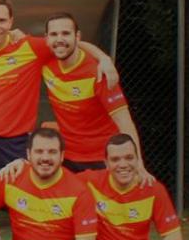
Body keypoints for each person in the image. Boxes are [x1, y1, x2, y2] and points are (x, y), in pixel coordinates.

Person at [0, 0, 115, 190]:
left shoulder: (30, 47)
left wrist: (103, 58)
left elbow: (67, 43)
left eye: (1, 20)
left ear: (11, 22)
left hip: (15, 144)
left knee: (21, 201)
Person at [42, 13, 143, 171]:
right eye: (54, 34)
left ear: (78, 36)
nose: (59, 39)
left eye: (66, 33)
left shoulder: (98, 72)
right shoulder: (45, 60)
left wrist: (138, 165)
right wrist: (104, 56)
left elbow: (124, 121)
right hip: (67, 157)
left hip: (102, 158)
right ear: (46, 38)